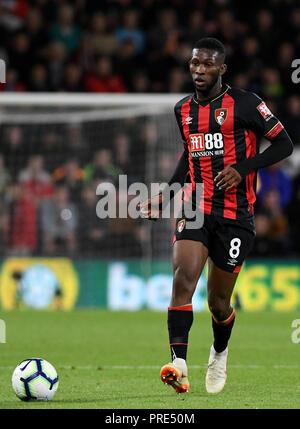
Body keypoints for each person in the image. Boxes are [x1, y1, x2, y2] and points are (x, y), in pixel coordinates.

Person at [140, 38, 293, 395]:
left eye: (207, 65)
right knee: (183, 277)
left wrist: (243, 168)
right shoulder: (182, 110)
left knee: (218, 302)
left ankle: (219, 351)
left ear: (221, 69)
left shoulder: (246, 104)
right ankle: (178, 363)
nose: (199, 70)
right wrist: (166, 194)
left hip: (237, 214)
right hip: (196, 205)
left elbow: (284, 142)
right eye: (195, 64)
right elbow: (189, 157)